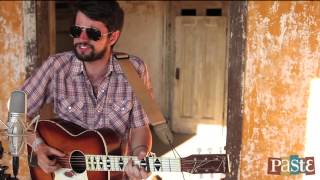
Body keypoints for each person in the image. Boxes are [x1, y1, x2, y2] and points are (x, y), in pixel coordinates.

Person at [22, 1, 152, 179]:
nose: (82, 39)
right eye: (77, 31)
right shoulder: (56, 67)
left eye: (92, 33)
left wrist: (141, 155)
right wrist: (38, 146)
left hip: (113, 174)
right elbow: (16, 112)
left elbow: (140, 127)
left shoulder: (135, 69)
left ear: (112, 37)